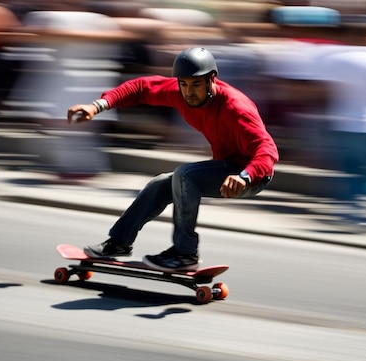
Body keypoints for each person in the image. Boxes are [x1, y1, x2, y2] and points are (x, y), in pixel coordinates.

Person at [66, 47, 279, 272]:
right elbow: (140, 87)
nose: (189, 92)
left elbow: (267, 150)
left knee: (185, 176)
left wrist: (245, 177)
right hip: (226, 167)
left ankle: (185, 253)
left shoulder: (236, 108)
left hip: (254, 173)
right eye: (184, 84)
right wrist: (97, 106)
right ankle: (119, 243)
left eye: (196, 85)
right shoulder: (180, 92)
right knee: (159, 184)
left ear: (211, 80)